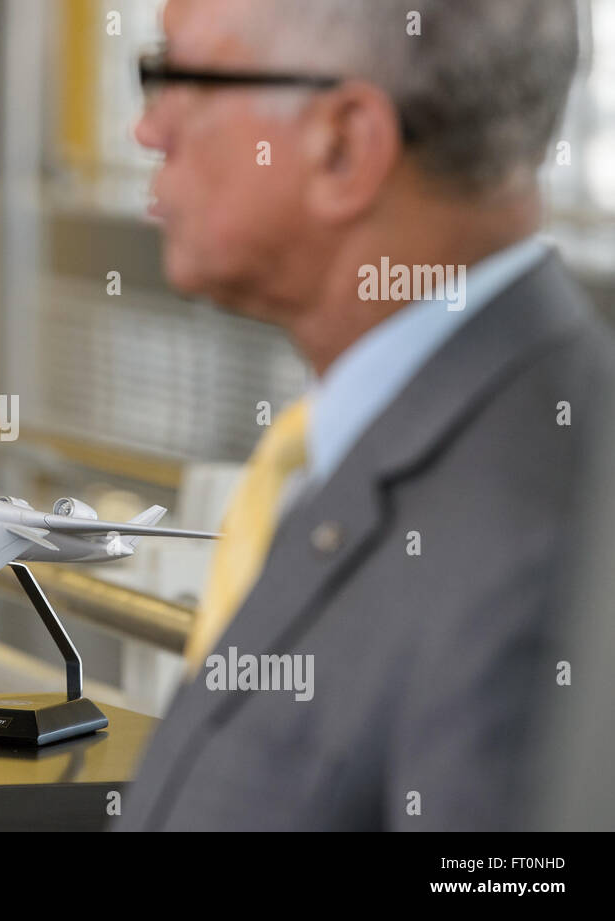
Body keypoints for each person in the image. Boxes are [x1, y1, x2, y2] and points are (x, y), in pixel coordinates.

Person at [119, 0, 615, 830]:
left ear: (344, 147)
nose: (147, 130)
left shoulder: (539, 532)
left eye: (178, 75)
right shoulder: (380, 435)